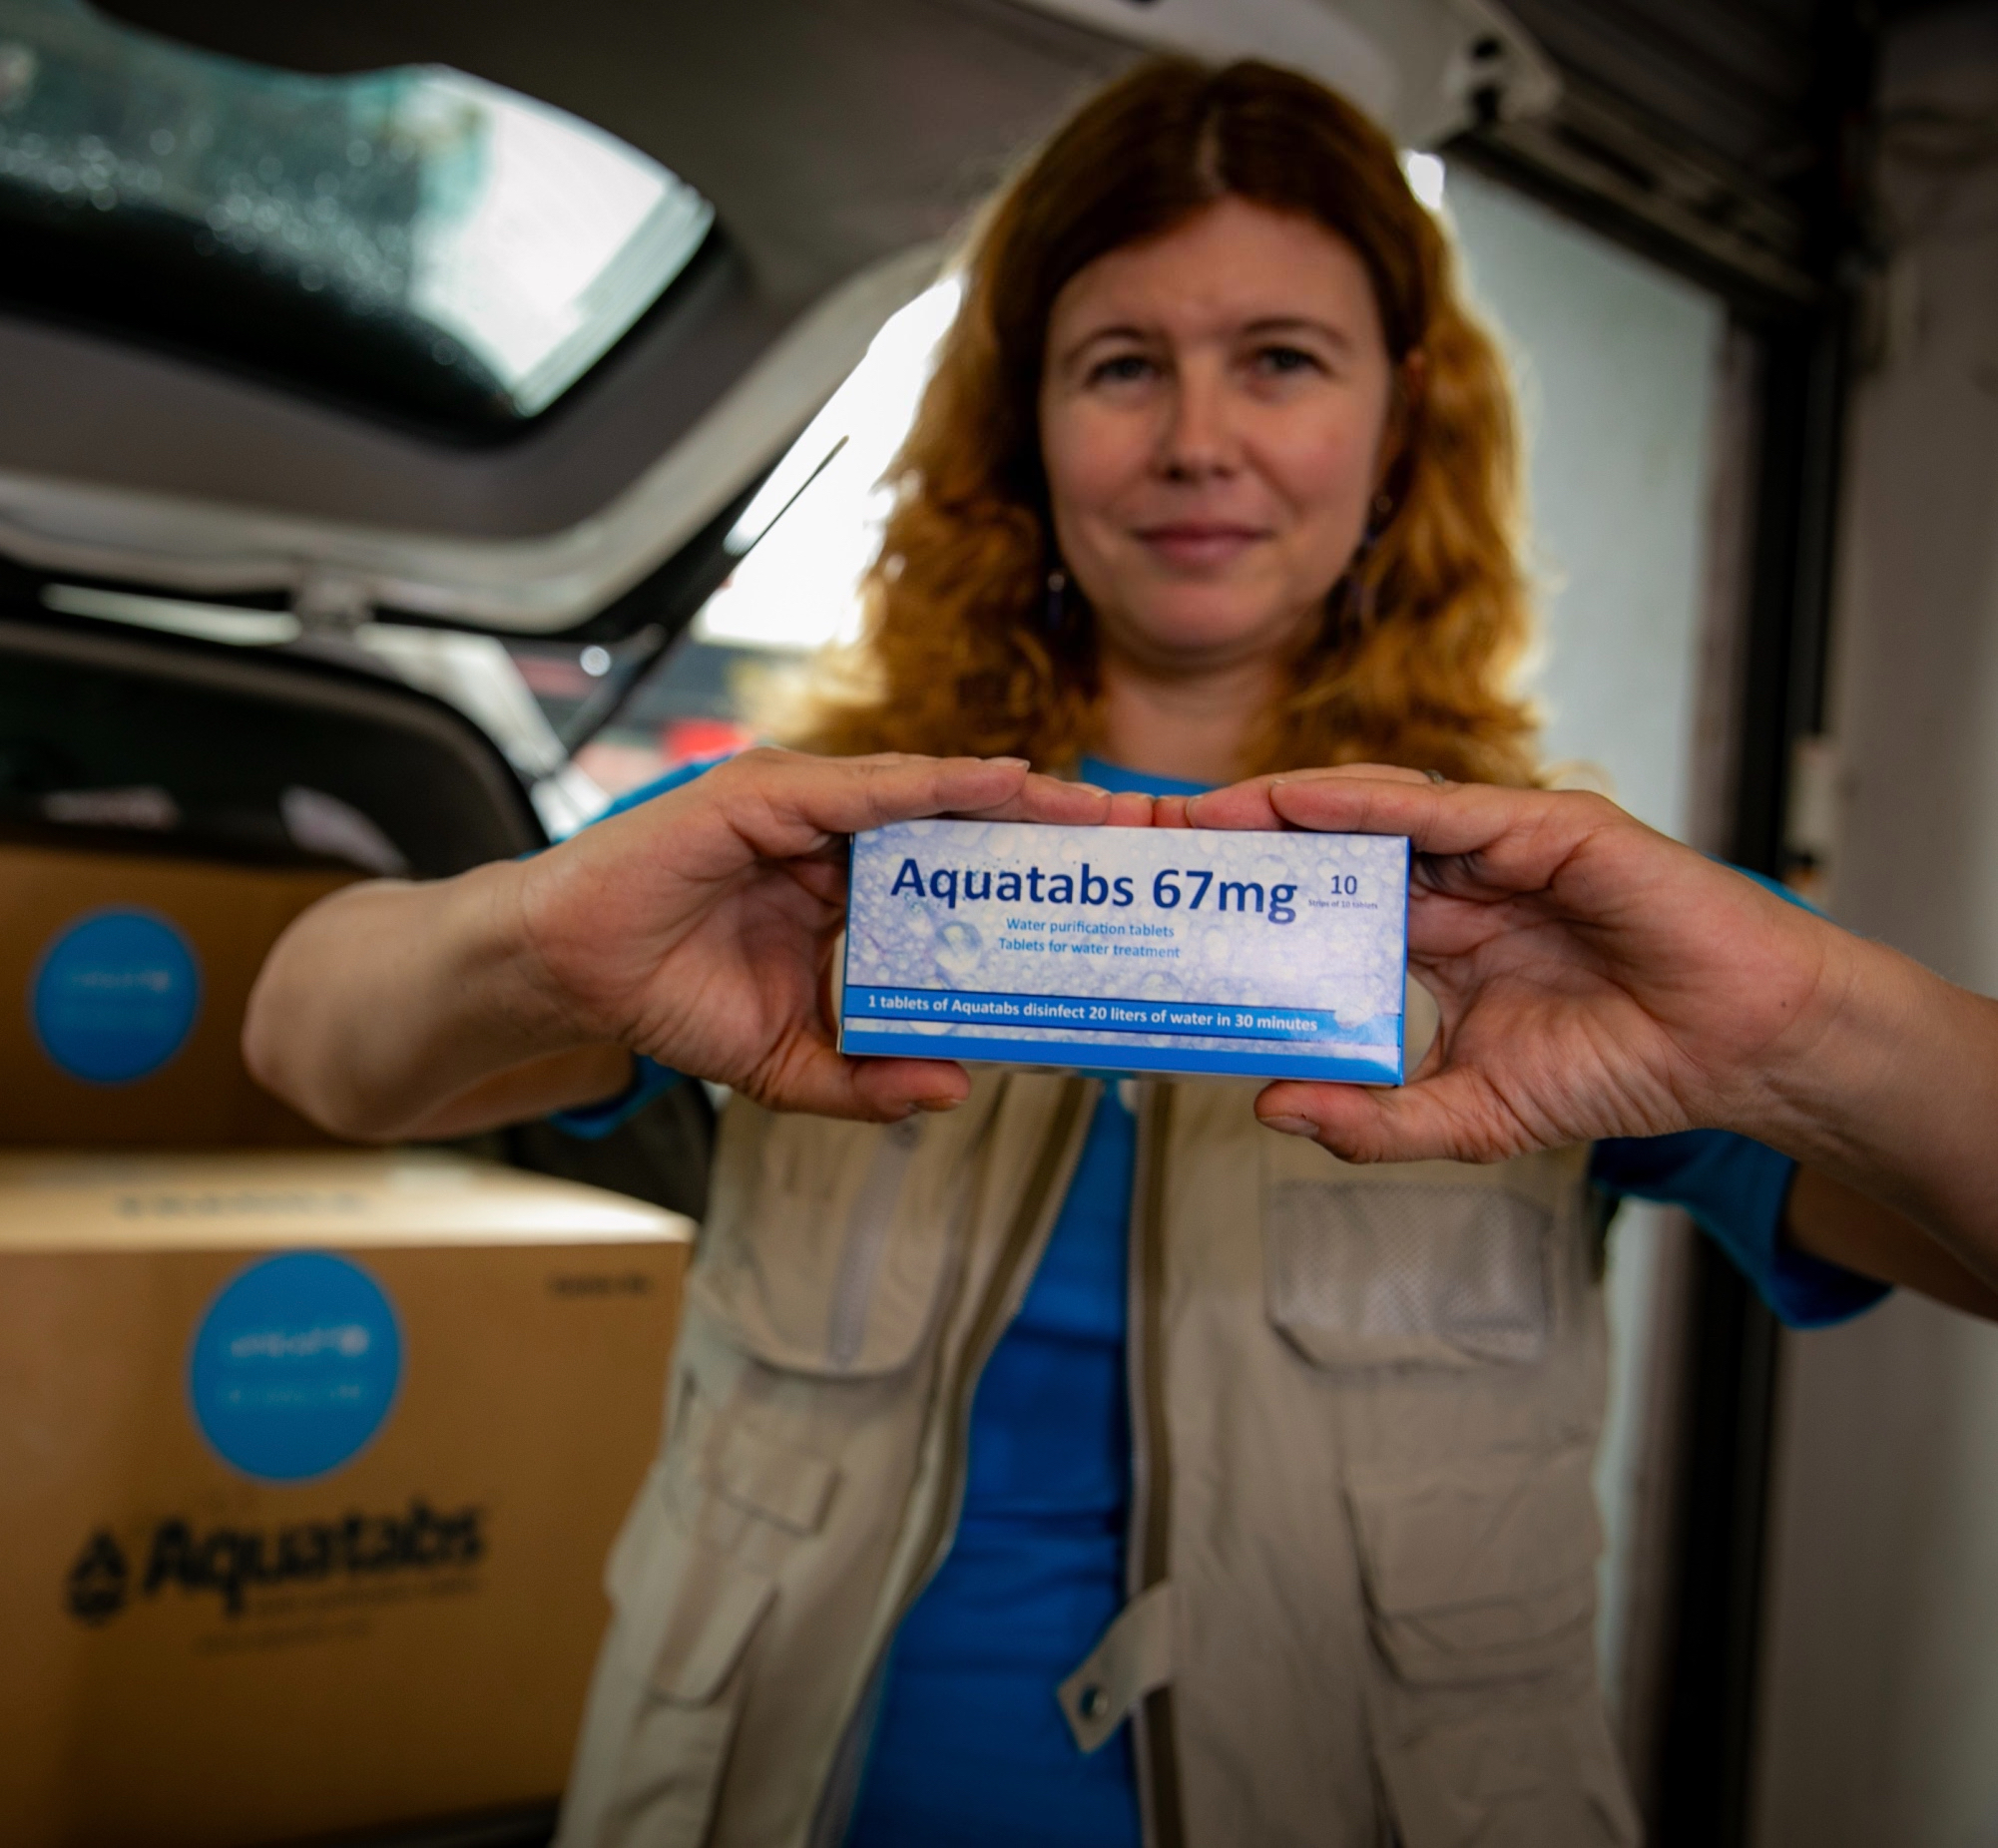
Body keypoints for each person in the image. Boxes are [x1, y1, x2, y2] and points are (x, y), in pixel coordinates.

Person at [245, 59, 1993, 1848]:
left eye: (1282, 360)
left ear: (1403, 425)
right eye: (1121, 365)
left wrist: (1804, 1011)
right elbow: (315, 1040)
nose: (1196, 442)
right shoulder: (806, 844)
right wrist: (538, 927)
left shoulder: (1545, 919)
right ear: (1024, 428)